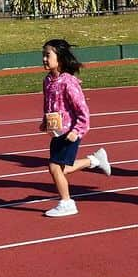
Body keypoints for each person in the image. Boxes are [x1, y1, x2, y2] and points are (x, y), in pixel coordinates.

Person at [39, 38, 111, 217]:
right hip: (57, 132)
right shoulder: (47, 81)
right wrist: (45, 121)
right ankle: (94, 160)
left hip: (70, 132)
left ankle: (67, 203)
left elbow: (83, 111)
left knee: (54, 167)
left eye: (48, 55)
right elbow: (48, 104)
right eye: (43, 55)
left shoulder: (68, 82)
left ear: (60, 59)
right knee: (62, 169)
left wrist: (77, 131)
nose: (44, 59)